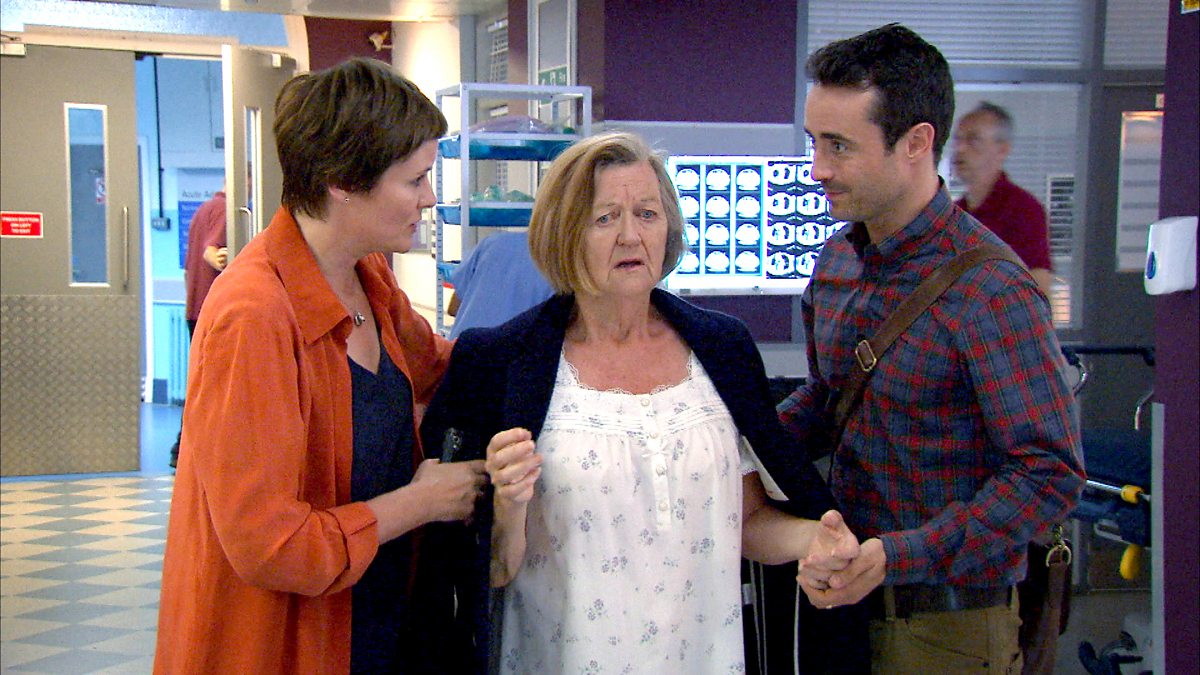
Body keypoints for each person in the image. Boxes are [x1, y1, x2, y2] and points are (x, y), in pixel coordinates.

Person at [419, 131, 867, 674]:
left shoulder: (722, 347)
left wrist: (811, 536)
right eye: (605, 218)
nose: (631, 236)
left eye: (647, 214)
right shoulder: (500, 361)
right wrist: (508, 505)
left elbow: (744, 519)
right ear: (565, 232)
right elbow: (475, 573)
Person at [154, 58, 488, 674]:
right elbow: (269, 543)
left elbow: (445, 367)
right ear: (342, 181)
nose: (429, 198)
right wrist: (420, 503)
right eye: (415, 180)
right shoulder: (254, 314)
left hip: (377, 623)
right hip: (285, 644)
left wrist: (569, 334)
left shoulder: (368, 275)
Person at [777, 24, 1085, 674]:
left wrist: (901, 554)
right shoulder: (838, 262)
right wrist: (735, 443)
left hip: (949, 627)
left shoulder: (989, 289)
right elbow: (830, 398)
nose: (818, 169)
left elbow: (1048, 472)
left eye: (839, 146)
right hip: (841, 609)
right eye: (814, 142)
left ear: (916, 143)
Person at [952, 101, 1056, 298]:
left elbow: (1039, 294)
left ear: (1002, 150)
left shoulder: (1024, 210)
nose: (960, 149)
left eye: (973, 140)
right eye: (958, 139)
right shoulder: (955, 214)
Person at [169, 185, 229, 468]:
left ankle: (182, 446)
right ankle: (187, 448)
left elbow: (188, 266)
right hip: (213, 310)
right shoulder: (225, 210)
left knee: (200, 381)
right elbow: (211, 253)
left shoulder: (201, 211)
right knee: (212, 385)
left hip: (195, 306)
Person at [446, 230, 554, 339]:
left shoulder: (493, 243)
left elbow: (454, 308)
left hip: (463, 345)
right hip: (510, 347)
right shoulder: (558, 266)